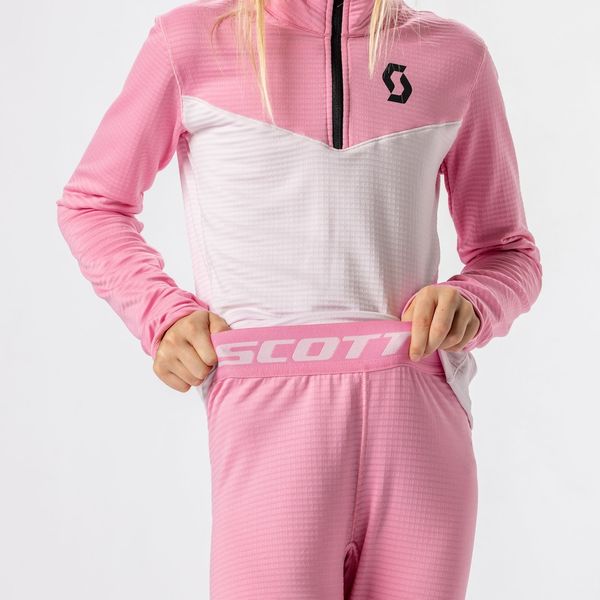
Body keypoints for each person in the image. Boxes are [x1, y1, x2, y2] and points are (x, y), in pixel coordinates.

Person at [56, 1, 543, 598]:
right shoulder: (188, 43)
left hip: (419, 422)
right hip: (267, 415)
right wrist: (163, 315)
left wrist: (473, 301)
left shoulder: (455, 57)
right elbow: (93, 204)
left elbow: (508, 251)